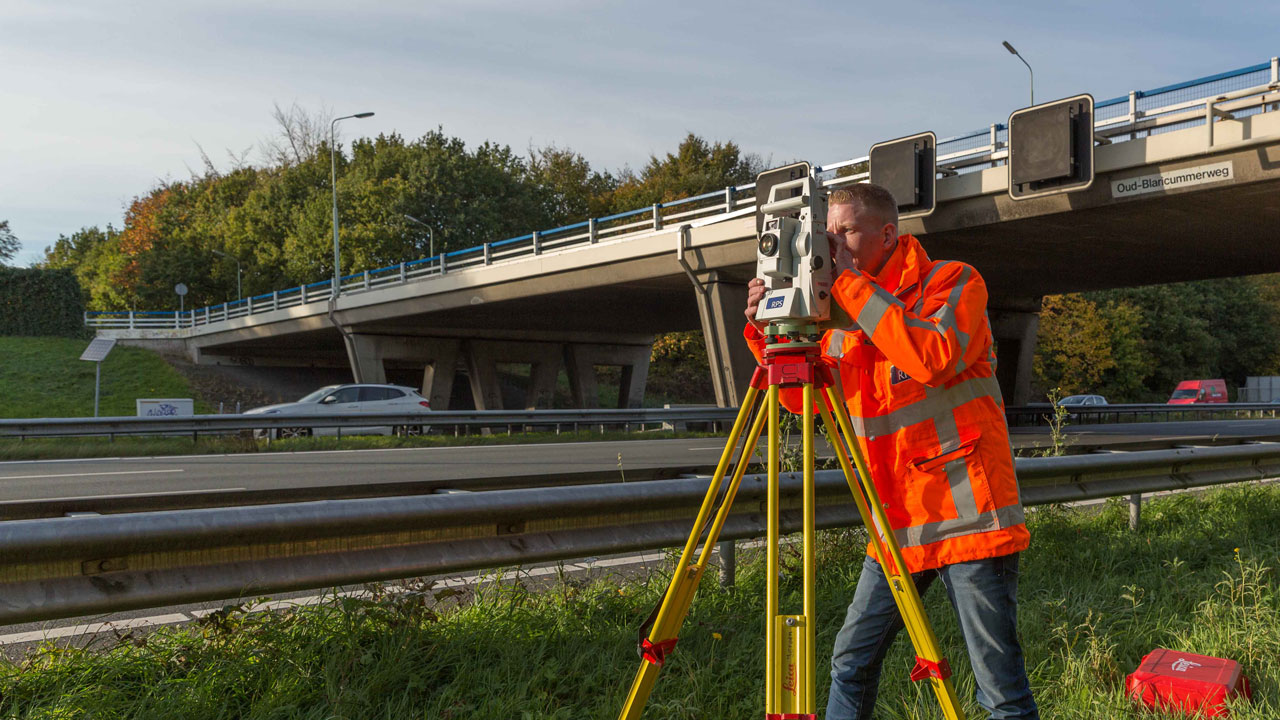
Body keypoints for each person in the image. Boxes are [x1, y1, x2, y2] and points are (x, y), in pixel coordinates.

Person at [742, 183, 1039, 720]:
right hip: (895, 523)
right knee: (850, 661)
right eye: (826, 233)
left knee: (998, 690)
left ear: (887, 233)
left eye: (846, 231)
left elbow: (932, 355)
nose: (833, 244)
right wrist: (772, 332)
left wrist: (849, 284)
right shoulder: (836, 311)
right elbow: (803, 402)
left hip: (967, 516)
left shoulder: (952, 282)